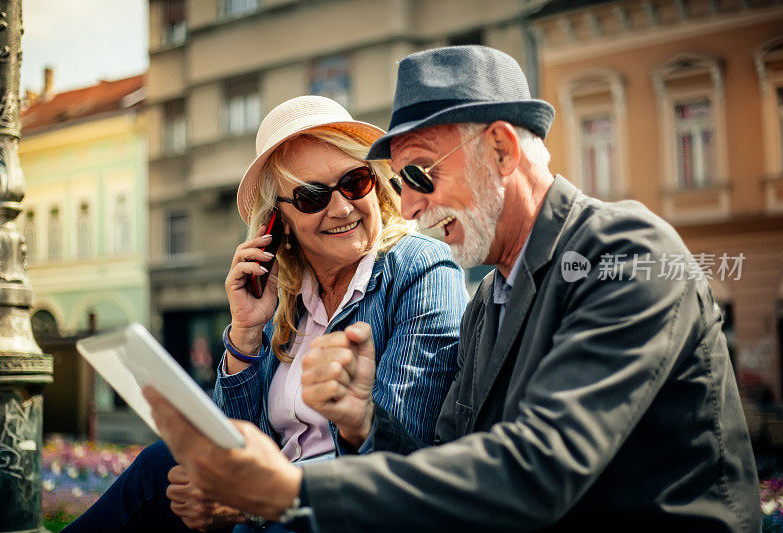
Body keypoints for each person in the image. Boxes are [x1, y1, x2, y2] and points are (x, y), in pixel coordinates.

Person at [146, 46, 760, 531]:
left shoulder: (626, 254)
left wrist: (291, 491)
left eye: (418, 173)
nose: (406, 207)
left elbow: (538, 469)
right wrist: (362, 420)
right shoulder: (491, 299)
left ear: (499, 148)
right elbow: (442, 461)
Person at [67, 95, 467, 532]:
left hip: (340, 516)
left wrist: (254, 501)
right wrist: (245, 329)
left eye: (354, 182)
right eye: (312, 197)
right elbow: (235, 441)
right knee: (159, 465)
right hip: (268, 512)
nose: (341, 207)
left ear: (375, 182)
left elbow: (395, 457)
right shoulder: (288, 296)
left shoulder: (420, 267)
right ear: (280, 222)